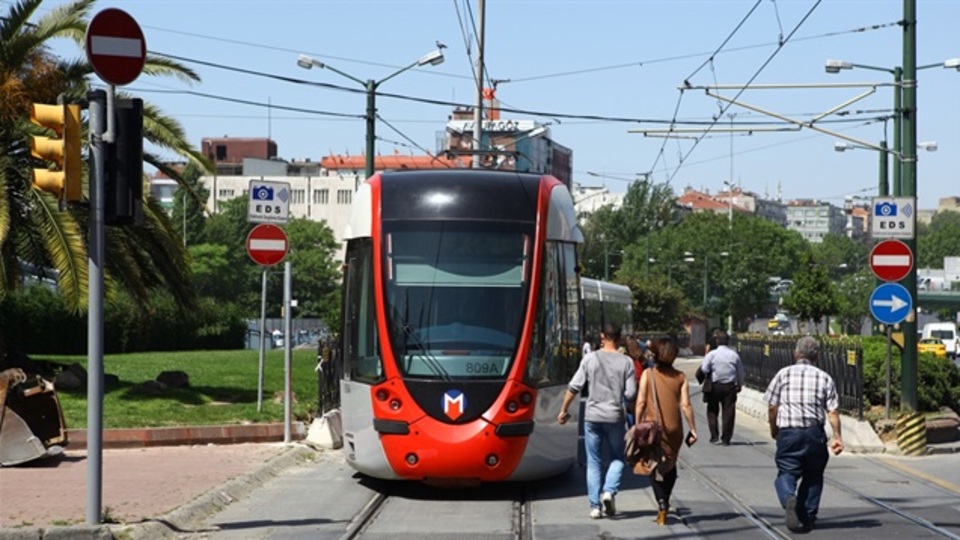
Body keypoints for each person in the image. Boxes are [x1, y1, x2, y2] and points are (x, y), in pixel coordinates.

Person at [763, 336, 844, 532]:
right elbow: (832, 412)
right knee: (814, 475)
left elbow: (772, 407)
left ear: (796, 354)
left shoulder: (783, 374)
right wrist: (837, 437)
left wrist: (774, 430)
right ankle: (808, 516)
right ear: (816, 357)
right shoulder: (824, 377)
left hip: (789, 433)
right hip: (815, 434)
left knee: (787, 473)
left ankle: (789, 497)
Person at [558, 323, 637, 520]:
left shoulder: (590, 358)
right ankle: (609, 491)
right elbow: (630, 393)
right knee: (618, 458)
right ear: (619, 338)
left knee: (593, 462)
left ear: (602, 336)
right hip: (615, 416)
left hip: (592, 416)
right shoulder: (626, 362)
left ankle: (595, 506)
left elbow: (574, 386)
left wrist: (563, 410)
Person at [634, 337, 697, 525]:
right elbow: (685, 405)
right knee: (670, 463)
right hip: (674, 429)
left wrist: (637, 424)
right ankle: (666, 499)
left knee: (653, 464)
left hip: (653, 428)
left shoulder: (648, 374)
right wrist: (693, 428)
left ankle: (662, 502)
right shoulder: (681, 377)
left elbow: (641, 402)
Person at [699, 330, 744, 446]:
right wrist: (739, 384)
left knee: (712, 410)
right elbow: (740, 372)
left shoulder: (712, 355)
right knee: (729, 412)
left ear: (717, 341)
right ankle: (726, 438)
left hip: (715, 386)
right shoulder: (734, 355)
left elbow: (704, 369)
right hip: (729, 386)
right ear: (728, 341)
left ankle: (714, 436)